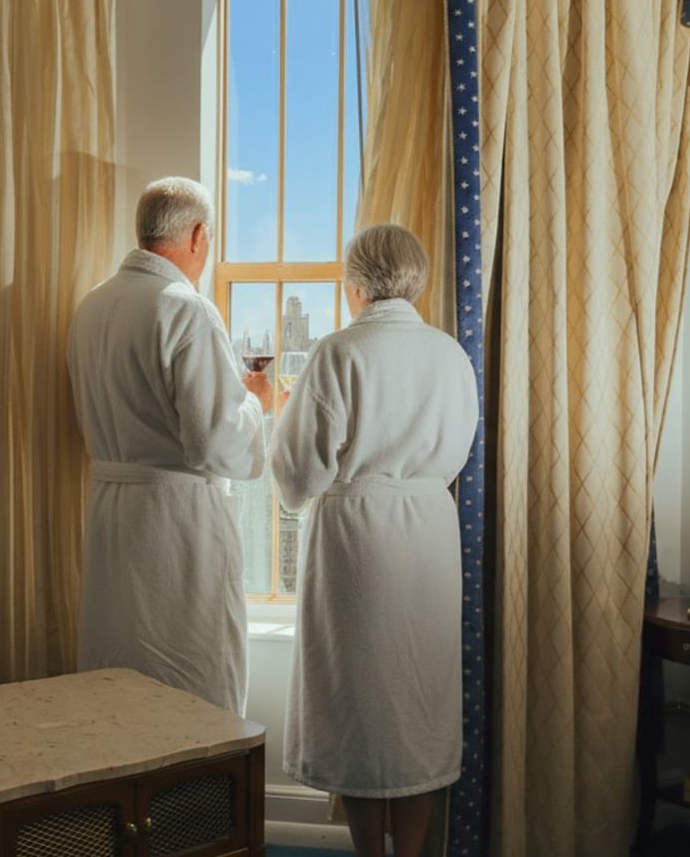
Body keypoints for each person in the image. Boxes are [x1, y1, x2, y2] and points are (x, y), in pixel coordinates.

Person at [270, 224, 478, 857]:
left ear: (355, 284)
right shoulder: (450, 354)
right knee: (417, 707)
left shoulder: (338, 351)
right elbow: (458, 447)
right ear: (415, 279)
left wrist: (282, 415)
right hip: (429, 533)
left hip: (357, 541)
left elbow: (299, 473)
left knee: (360, 710)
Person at [68, 176, 272, 714]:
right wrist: (257, 405)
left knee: (118, 683)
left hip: (110, 519)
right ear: (199, 234)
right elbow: (215, 442)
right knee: (191, 691)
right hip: (175, 525)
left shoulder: (92, 306)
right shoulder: (186, 308)